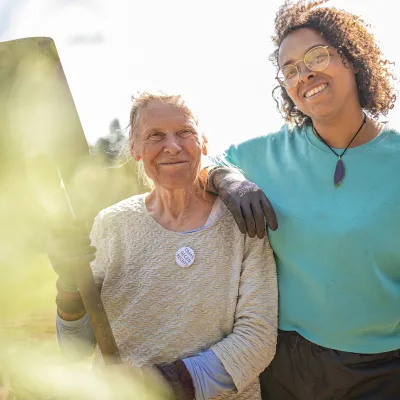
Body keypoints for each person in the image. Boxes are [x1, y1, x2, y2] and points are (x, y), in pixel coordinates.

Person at [206, 1, 400, 398]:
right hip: (289, 363)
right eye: (290, 69)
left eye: (317, 56)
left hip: (385, 368)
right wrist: (228, 180)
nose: (304, 73)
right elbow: (208, 161)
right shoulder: (268, 154)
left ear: (351, 58)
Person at [48, 93, 278, 400]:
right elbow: (75, 349)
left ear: (204, 143)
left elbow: (257, 340)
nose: (172, 146)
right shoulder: (111, 224)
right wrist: (69, 288)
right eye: (155, 135)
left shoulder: (242, 223)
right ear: (135, 149)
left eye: (185, 132)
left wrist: (158, 384)